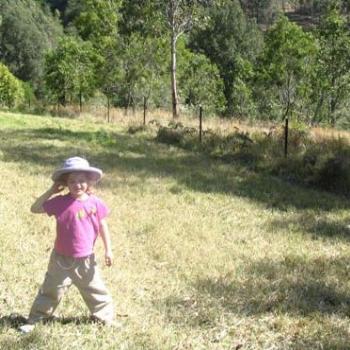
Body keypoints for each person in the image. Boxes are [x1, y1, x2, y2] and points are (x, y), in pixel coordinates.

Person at [19, 156, 115, 333]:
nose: (77, 185)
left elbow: (102, 225)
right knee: (50, 290)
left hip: (85, 260)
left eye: (82, 181)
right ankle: (35, 319)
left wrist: (108, 250)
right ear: (65, 183)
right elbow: (35, 208)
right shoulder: (60, 202)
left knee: (95, 290)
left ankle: (106, 317)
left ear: (88, 182)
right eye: (72, 181)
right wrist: (51, 191)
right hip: (60, 259)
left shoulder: (95, 203)